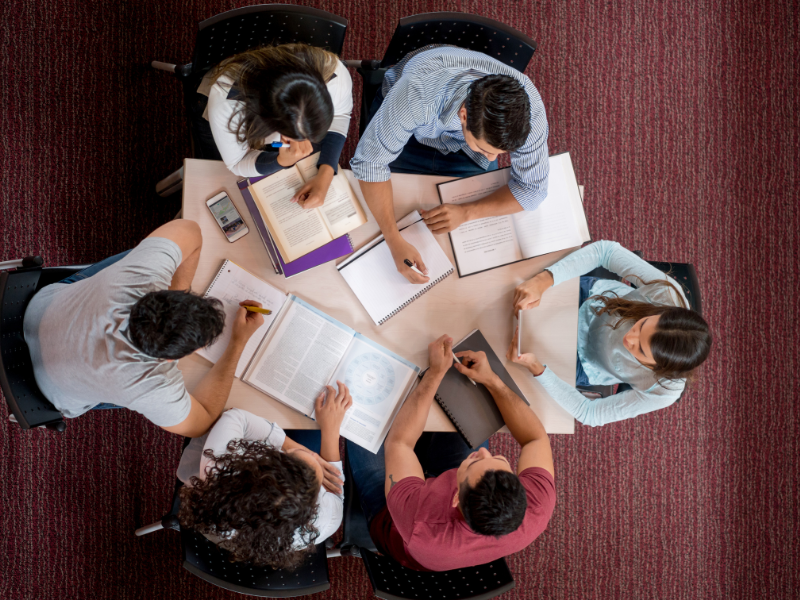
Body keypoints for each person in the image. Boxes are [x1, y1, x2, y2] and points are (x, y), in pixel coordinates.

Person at [23, 220, 265, 437]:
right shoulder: (150, 384)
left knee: (142, 254)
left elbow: (191, 230)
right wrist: (237, 343)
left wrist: (178, 295)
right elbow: (201, 424)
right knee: (152, 402)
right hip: (48, 391)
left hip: (32, 311)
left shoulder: (140, 277)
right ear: (170, 359)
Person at [347, 334, 555, 572]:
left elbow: (399, 443)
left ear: (455, 498)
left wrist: (434, 373)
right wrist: (492, 381)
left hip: (396, 524)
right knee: (469, 403)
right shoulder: (537, 505)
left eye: (476, 462)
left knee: (359, 417)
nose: (484, 453)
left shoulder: (419, 523)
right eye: (497, 458)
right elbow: (535, 438)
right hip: (450, 508)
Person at [350, 45, 549, 283]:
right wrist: (393, 239)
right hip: (414, 128)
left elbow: (532, 190)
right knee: (376, 221)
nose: (491, 160)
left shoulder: (530, 112)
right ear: (464, 115)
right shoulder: (417, 92)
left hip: (461, 143)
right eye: (485, 149)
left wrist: (467, 212)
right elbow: (370, 164)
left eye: (501, 153)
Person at [510, 240, 712, 427]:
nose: (628, 338)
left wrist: (538, 370)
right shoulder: (667, 294)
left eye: (640, 349)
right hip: (590, 300)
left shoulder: (664, 391)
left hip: (584, 362)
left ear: (657, 369)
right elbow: (605, 252)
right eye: (641, 325)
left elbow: (590, 413)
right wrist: (545, 279)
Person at [177, 382, 352, 569]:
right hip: (241, 535)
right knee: (312, 426)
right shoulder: (326, 521)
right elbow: (335, 488)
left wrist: (294, 449)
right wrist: (331, 432)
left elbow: (236, 417)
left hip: (212, 498)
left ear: (262, 460)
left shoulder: (221, 467)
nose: (313, 455)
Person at [198, 43, 353, 209]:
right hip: (221, 116)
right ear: (268, 122)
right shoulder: (227, 103)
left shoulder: (334, 72)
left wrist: (326, 173)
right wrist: (280, 162)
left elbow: (341, 115)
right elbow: (236, 163)